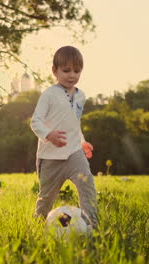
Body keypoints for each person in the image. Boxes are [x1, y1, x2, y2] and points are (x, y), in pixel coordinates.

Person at [30, 46, 98, 227]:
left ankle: (93, 227)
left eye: (77, 71)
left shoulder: (81, 96)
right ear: (55, 71)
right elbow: (35, 122)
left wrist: (82, 142)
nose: (72, 75)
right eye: (66, 70)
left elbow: (74, 123)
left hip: (74, 153)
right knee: (46, 199)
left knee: (87, 185)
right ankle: (37, 227)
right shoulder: (49, 95)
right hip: (50, 157)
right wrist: (48, 135)